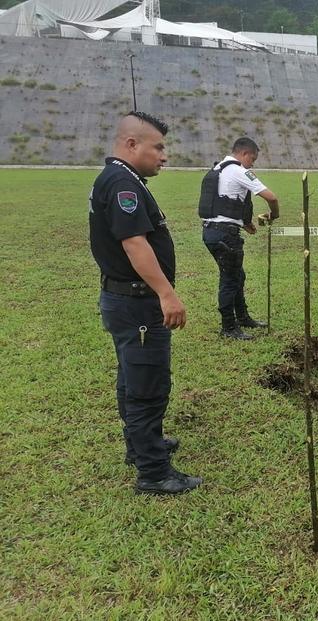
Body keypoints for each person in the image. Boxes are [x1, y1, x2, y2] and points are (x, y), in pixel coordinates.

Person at [89, 112, 202, 495]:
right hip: (137, 303)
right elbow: (135, 244)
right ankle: (153, 472)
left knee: (131, 379)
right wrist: (166, 293)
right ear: (131, 144)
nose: (164, 156)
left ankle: (141, 446)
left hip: (124, 300)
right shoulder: (123, 183)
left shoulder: (119, 178)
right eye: (158, 147)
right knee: (147, 387)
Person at [200, 137, 279, 340]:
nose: (253, 163)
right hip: (226, 235)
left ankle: (243, 317)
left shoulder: (218, 168)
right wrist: (274, 215)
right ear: (244, 154)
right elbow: (271, 197)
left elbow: (225, 201)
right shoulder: (239, 170)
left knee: (237, 276)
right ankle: (228, 327)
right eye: (252, 158)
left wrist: (245, 223)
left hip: (212, 232)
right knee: (230, 279)